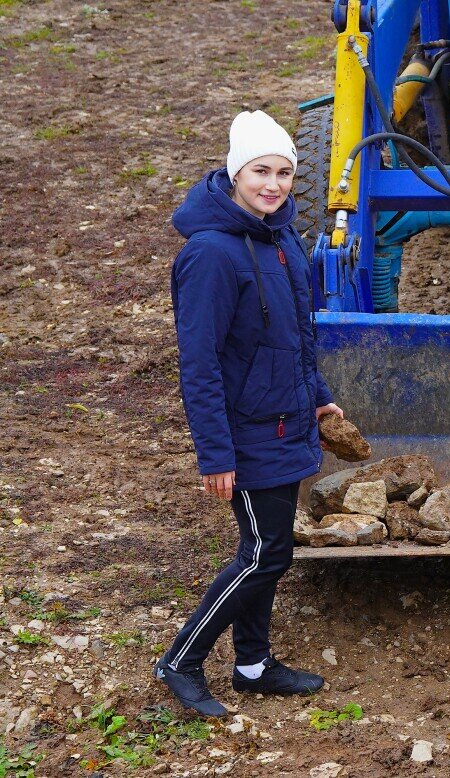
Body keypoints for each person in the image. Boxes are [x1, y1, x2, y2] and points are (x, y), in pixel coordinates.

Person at [155, 110, 342, 716]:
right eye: (261, 170)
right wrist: (215, 452)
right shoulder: (209, 254)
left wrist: (316, 393)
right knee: (266, 554)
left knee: (268, 545)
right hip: (244, 430)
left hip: (286, 419)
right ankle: (181, 660)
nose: (275, 184)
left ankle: (253, 665)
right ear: (235, 172)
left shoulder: (282, 237)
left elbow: (298, 334)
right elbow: (200, 363)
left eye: (285, 172)